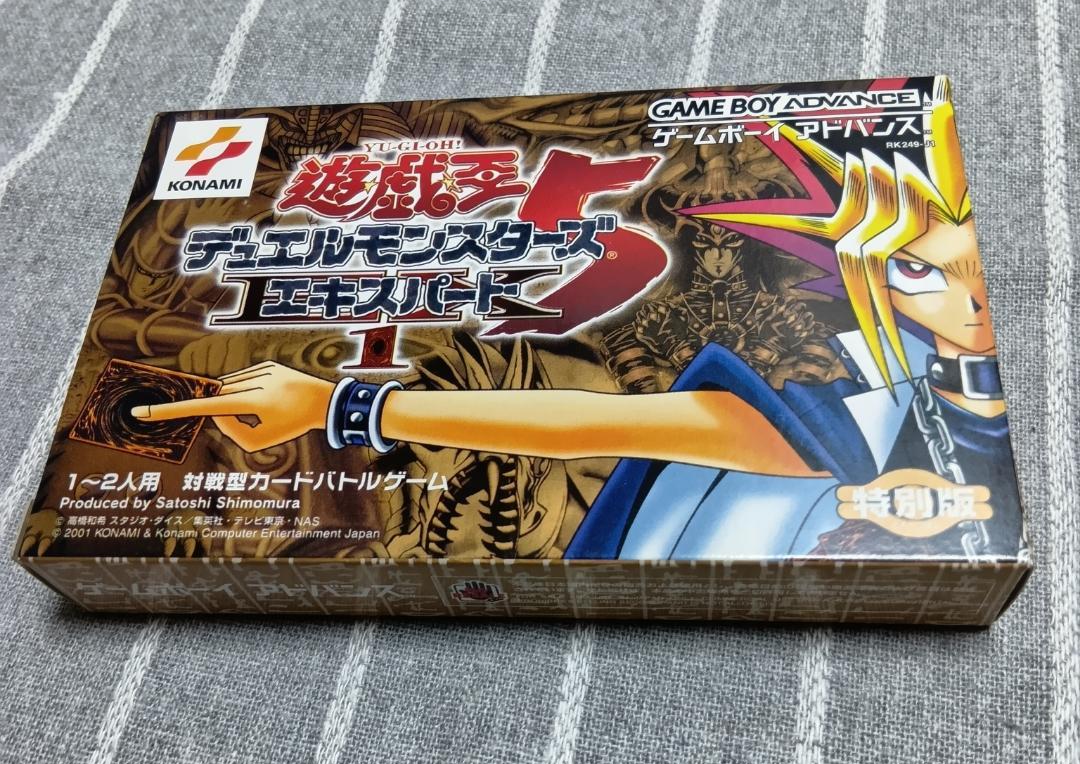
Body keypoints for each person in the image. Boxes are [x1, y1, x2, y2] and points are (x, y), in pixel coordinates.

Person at [135, 79, 1021, 563]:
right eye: (919, 270)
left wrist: (337, 407)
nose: (971, 299)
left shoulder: (886, 409)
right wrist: (342, 406)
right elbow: (598, 420)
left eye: (961, 268)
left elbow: (599, 423)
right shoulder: (856, 402)